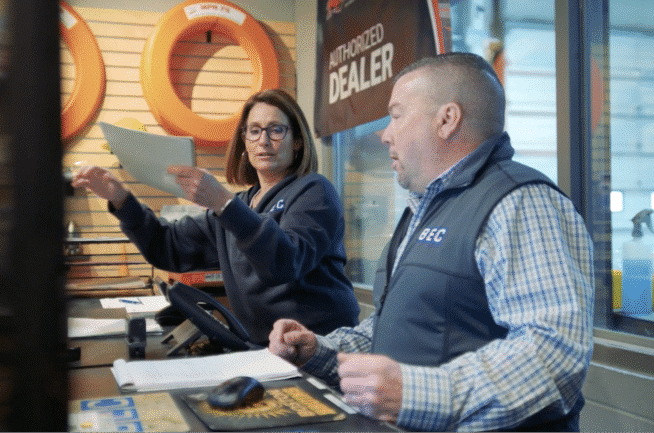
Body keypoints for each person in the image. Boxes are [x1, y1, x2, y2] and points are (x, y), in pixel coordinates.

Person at [268, 53, 595, 432]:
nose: (385, 133)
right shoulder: (423, 209)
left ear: (447, 120)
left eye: (397, 114)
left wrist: (416, 394)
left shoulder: (520, 202)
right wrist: (319, 354)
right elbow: (398, 329)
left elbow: (555, 351)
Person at [72, 89, 359, 345]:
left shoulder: (314, 191)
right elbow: (167, 247)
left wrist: (224, 202)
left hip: (319, 347)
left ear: (297, 141)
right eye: (254, 130)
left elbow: (284, 263)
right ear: (244, 141)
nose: (264, 141)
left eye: (276, 130)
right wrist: (121, 200)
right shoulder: (241, 205)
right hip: (265, 350)